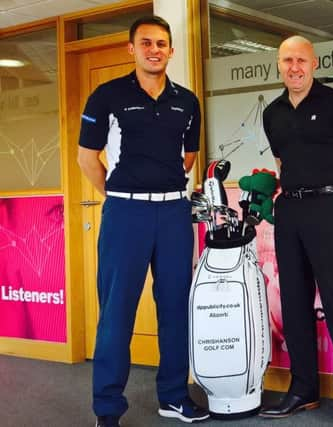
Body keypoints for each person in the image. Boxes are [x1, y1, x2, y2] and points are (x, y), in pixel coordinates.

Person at [77, 16, 208, 427]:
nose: (155, 49)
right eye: (146, 42)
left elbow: (187, 159)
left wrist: (159, 191)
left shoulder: (187, 102)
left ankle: (173, 396)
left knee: (174, 308)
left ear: (171, 51)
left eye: (162, 43)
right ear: (131, 49)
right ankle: (108, 410)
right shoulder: (107, 96)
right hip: (125, 214)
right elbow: (88, 159)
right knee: (117, 313)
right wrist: (122, 194)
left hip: (173, 213)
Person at [259, 35, 333, 425]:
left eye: (301, 60)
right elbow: (282, 161)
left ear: (314, 64)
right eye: (287, 60)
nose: (294, 67)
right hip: (289, 209)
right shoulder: (273, 112)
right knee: (293, 302)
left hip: (329, 208)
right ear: (279, 64)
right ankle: (303, 389)